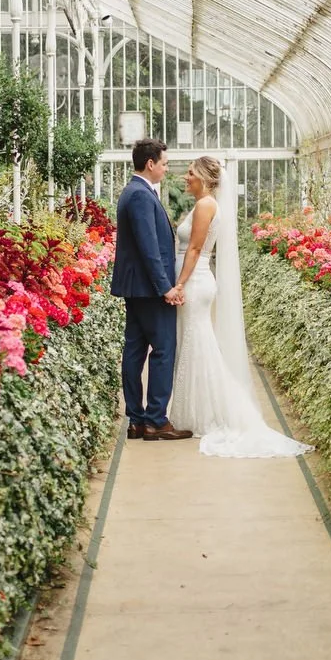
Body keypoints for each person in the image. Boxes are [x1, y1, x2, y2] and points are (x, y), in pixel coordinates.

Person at [168, 155, 313, 458]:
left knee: (197, 343)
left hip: (194, 280)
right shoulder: (203, 203)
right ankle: (193, 410)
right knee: (193, 342)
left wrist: (179, 284)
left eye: (191, 173)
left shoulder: (206, 205)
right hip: (193, 279)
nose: (185, 177)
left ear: (204, 178)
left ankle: (205, 413)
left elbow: (195, 248)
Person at [110, 138, 193, 441]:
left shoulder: (134, 192)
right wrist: (165, 288)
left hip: (137, 288)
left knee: (134, 351)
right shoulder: (141, 195)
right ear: (150, 163)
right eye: (165, 164)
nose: (166, 169)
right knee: (163, 351)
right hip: (149, 290)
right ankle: (156, 420)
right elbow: (149, 248)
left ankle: (136, 420)